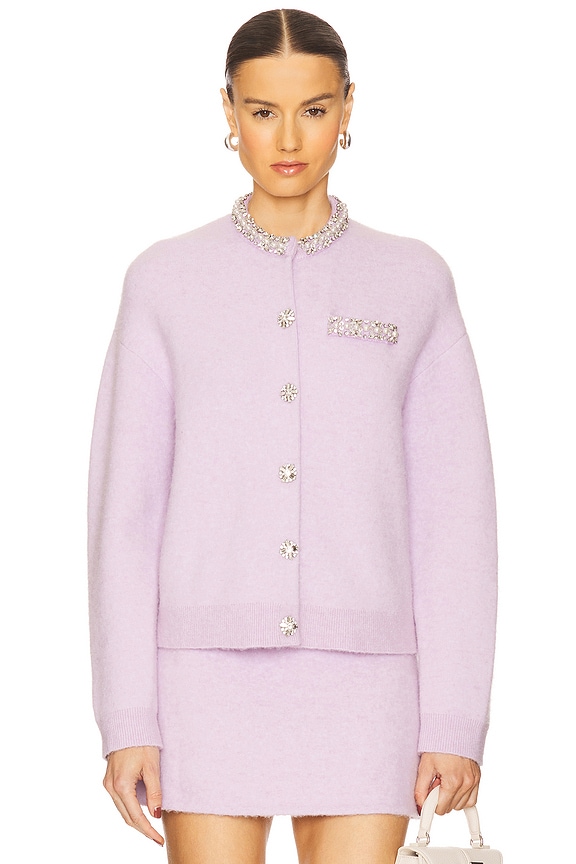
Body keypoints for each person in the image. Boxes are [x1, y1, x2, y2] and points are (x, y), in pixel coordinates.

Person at [87, 8, 498, 864]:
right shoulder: (163, 281)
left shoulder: (414, 281)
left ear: (347, 108)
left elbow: (454, 518)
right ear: (228, 111)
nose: (287, 138)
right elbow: (124, 520)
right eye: (262, 110)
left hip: (371, 684)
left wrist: (454, 718)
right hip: (200, 682)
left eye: (312, 109)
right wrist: (129, 716)